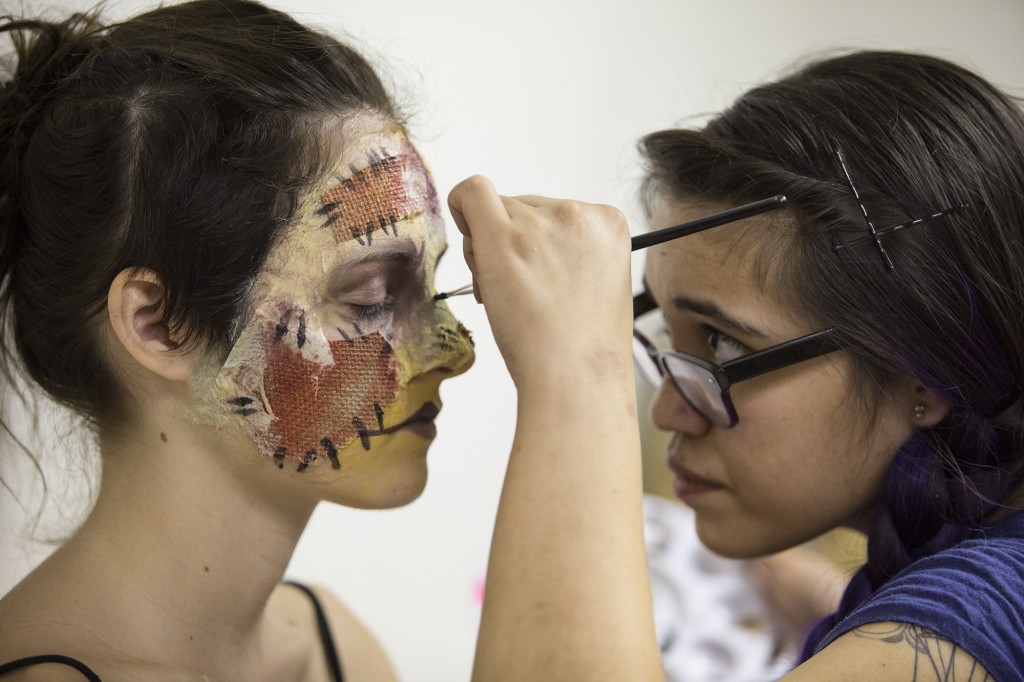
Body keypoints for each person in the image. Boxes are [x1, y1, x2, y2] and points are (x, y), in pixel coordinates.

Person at [0, 1, 659, 680]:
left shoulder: (333, 645)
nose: (457, 353)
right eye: (373, 296)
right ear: (157, 325)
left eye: (432, 287)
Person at [627, 50, 1024, 679]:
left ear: (924, 367)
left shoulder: (977, 610)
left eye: (725, 345)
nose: (669, 409)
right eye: (665, 333)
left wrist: (566, 384)